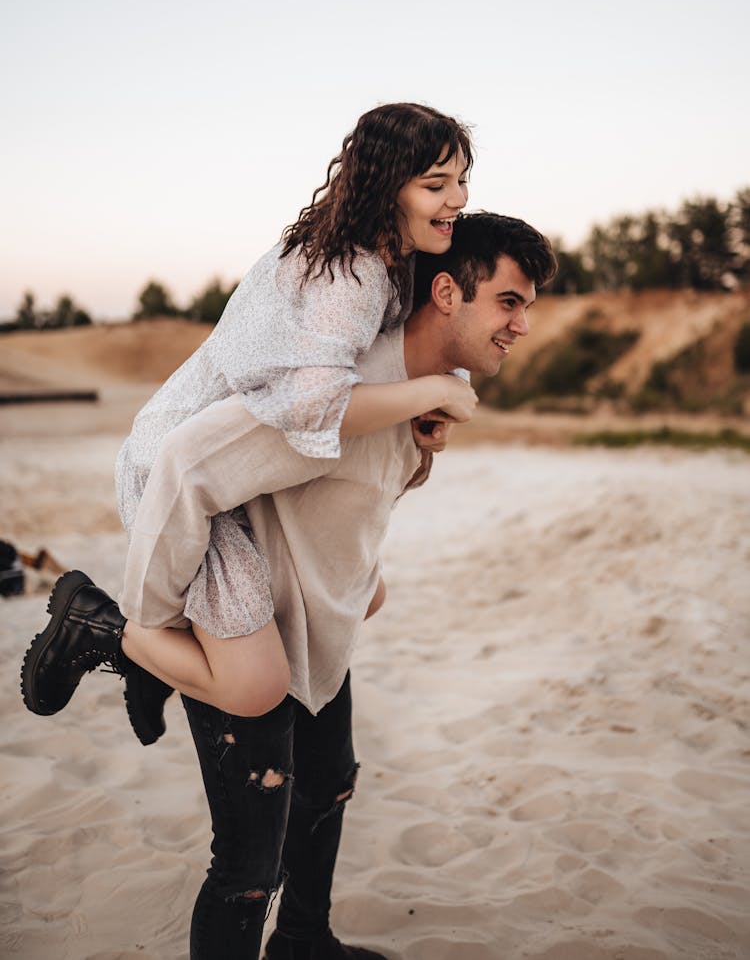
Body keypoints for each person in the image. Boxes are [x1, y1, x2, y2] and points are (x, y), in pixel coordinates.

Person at [21, 213, 558, 960]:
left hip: (315, 611)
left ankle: (305, 942)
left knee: (329, 781)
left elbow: (362, 496)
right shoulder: (334, 387)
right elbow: (192, 466)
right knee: (247, 864)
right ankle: (109, 631)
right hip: (245, 617)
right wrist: (162, 617)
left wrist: (363, 577)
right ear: (445, 291)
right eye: (509, 301)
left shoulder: (433, 388)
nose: (523, 324)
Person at [21, 102, 475, 737]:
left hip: (249, 478)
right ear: (384, 184)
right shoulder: (347, 275)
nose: (456, 199)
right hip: (184, 474)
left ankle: (163, 668)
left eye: (461, 181)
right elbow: (315, 403)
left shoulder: (387, 261)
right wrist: (429, 389)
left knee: (362, 597)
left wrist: (429, 403)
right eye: (435, 184)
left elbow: (381, 370)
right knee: (254, 687)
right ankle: (99, 624)